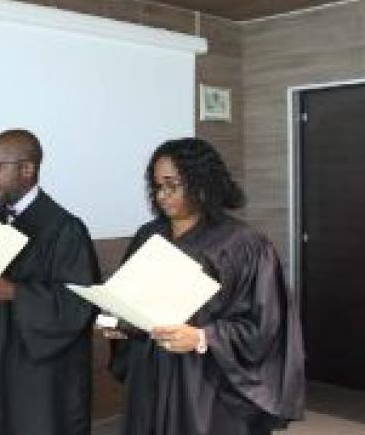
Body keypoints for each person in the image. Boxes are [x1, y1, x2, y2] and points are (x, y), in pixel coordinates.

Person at [108, 137, 305, 435]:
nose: (162, 195)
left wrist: (203, 337)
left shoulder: (244, 245)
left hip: (206, 382)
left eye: (172, 185)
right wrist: (121, 322)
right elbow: (129, 298)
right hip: (151, 371)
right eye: (157, 186)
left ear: (201, 183)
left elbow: (266, 327)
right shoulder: (148, 236)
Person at [0, 129, 101, 435]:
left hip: (39, 375)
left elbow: (79, 303)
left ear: (27, 169)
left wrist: (15, 292)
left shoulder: (64, 229)